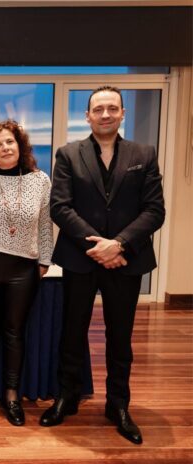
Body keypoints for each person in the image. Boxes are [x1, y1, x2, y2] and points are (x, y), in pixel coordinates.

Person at [40, 86, 165, 445]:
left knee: (120, 337)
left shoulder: (143, 154)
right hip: (80, 258)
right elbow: (60, 207)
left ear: (122, 113)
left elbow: (154, 210)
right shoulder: (69, 154)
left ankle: (118, 405)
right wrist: (98, 246)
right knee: (72, 331)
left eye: (112, 108)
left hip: (127, 259)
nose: (105, 114)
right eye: (98, 109)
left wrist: (119, 244)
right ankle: (67, 397)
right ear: (87, 116)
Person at [0, 120, 53, 426]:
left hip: (23, 269)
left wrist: (44, 260)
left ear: (20, 146)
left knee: (15, 332)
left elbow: (45, 224)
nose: (5, 148)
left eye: (10, 142)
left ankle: (12, 396)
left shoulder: (40, 180)